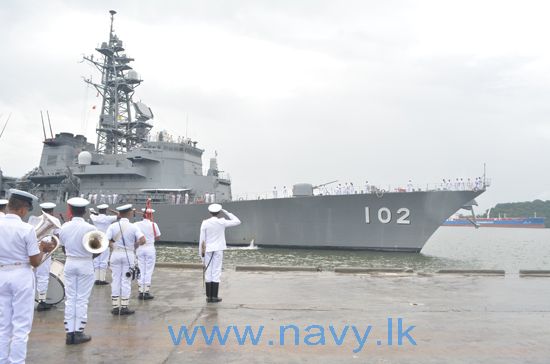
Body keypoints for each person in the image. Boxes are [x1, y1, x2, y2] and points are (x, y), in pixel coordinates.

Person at [0, 189, 51, 363]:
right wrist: (43, 250)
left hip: (1, 274)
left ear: (8, 205)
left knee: (3, 324)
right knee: (21, 326)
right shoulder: (27, 228)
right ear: (23, 210)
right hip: (21, 275)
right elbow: (35, 262)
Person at [58, 197, 97, 345]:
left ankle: (69, 333)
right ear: (85, 211)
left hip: (69, 262)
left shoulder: (64, 227)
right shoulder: (90, 228)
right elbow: (98, 248)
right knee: (81, 299)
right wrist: (89, 257)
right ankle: (79, 332)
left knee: (71, 298)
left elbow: (62, 247)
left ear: (70, 210)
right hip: (85, 263)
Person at [106, 204, 145, 315]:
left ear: (119, 214)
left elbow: (106, 240)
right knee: (126, 280)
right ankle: (124, 307)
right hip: (128, 254)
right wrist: (135, 245)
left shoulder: (112, 226)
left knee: (115, 279)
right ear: (128, 213)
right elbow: (143, 240)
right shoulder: (133, 227)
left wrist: (114, 246)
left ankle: (115, 307)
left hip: (115, 254)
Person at [199, 204, 241, 303]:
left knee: (208, 271)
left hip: (208, 250)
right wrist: (226, 212)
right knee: (216, 271)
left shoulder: (205, 223)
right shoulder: (222, 222)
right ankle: (214, 297)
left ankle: (208, 297)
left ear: (210, 212)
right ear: (219, 212)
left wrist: (201, 255)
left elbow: (202, 240)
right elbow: (237, 221)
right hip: (218, 249)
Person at [28, 202, 61, 311]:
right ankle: (42, 301)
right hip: (45, 251)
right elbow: (57, 236)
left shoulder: (33, 220)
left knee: (31, 275)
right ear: (52, 211)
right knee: (43, 276)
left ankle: (30, 298)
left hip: (32, 250)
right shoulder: (55, 221)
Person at [134, 208, 161, 300]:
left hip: (140, 247)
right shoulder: (154, 224)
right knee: (148, 270)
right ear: (151, 215)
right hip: (149, 247)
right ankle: (146, 292)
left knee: (141, 269)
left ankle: (141, 291)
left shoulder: (136, 224)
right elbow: (158, 237)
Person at [90, 204, 119, 285]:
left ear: (99, 210)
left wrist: (96, 213)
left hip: (96, 239)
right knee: (104, 260)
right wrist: (111, 210)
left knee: (96, 260)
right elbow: (119, 215)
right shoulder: (108, 218)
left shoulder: (94, 217)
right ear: (105, 210)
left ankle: (96, 279)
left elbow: (91, 213)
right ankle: (101, 279)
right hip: (105, 239)